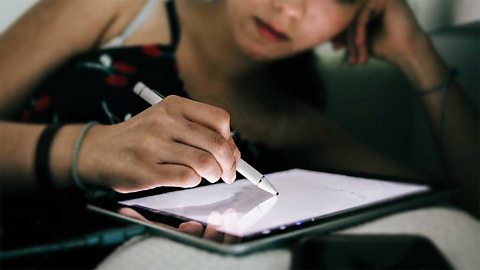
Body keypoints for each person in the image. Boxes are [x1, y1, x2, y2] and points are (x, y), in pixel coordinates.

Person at [0, 0, 478, 216]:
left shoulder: (297, 125)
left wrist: (417, 52)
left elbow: (465, 219)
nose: (289, 8)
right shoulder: (121, 8)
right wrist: (89, 150)